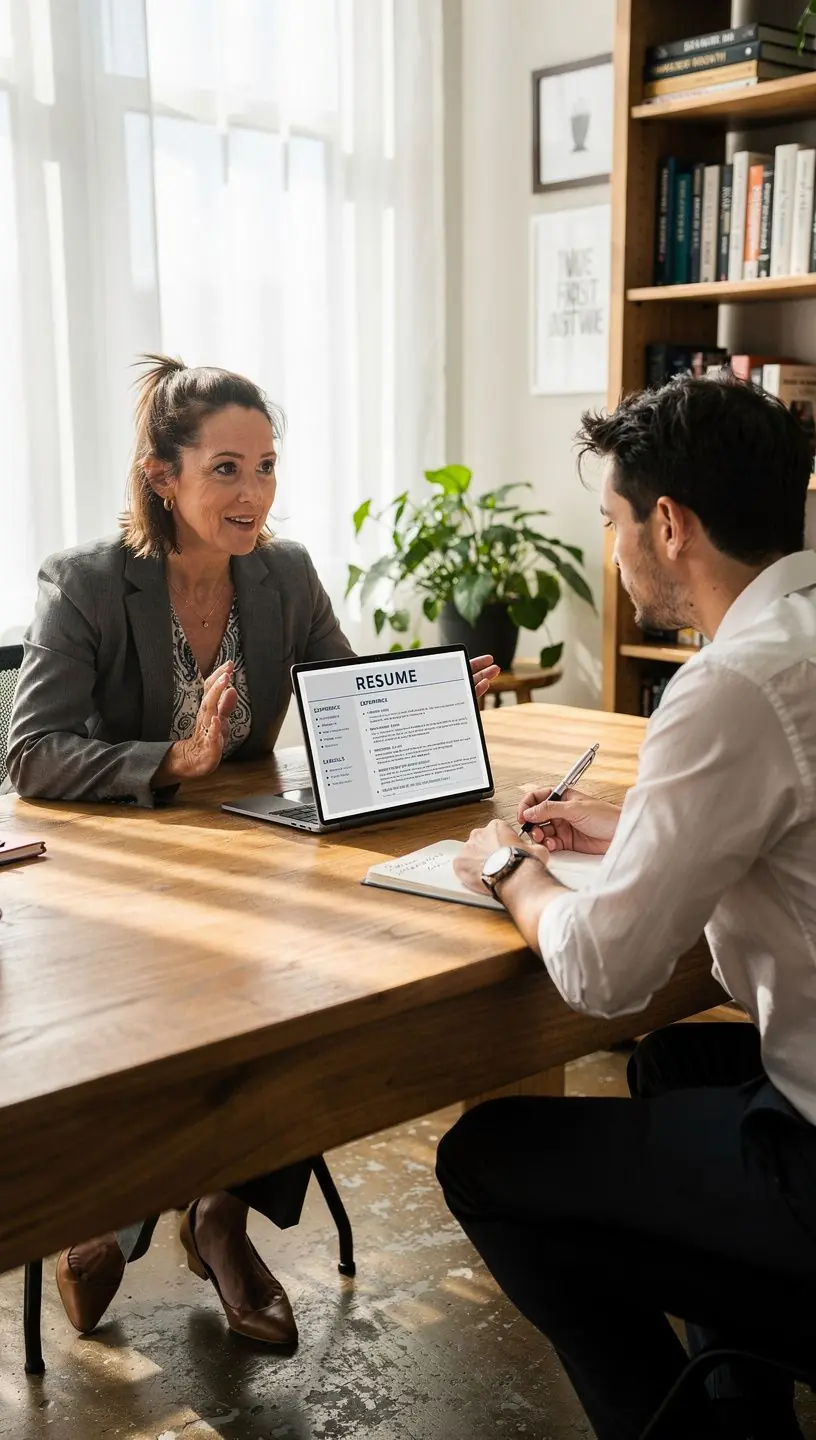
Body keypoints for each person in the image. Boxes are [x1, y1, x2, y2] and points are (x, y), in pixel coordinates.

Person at [7, 354, 498, 1350]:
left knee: (318, 987)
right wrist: (172, 760)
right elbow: (29, 752)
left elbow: (341, 706)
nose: (253, 493)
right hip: (118, 882)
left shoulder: (284, 574)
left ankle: (219, 1216)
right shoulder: (90, 584)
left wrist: (432, 701)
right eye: (226, 469)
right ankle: (101, 1207)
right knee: (169, 1005)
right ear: (161, 475)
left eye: (266, 466)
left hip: (244, 858)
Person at [435, 374, 816, 1440]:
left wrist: (514, 872)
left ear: (668, 523)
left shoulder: (735, 680)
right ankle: (744, 1408)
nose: (613, 548)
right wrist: (640, 827)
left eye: (611, 521)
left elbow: (604, 975)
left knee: (487, 1159)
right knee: (669, 1067)